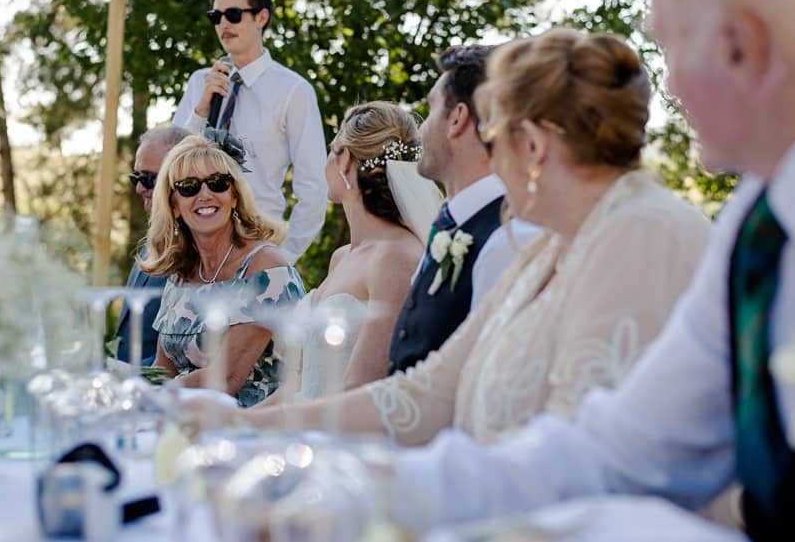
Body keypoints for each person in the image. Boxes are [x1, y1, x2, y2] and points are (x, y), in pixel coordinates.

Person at [380, 0, 795, 539]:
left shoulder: (651, 229)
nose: (667, 87)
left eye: (673, 44)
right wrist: (372, 488)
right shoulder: (754, 224)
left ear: (741, 46)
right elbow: (626, 447)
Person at [199, 30, 710, 448]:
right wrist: (238, 423)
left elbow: (582, 452)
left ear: (530, 141)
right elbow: (428, 390)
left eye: (498, 131)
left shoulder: (639, 234)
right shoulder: (541, 248)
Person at [257, 101, 439, 404]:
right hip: (305, 423)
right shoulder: (342, 257)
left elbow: (359, 388)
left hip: (343, 436)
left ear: (346, 162)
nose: (326, 160)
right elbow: (304, 384)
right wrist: (237, 422)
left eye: (332, 149)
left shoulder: (396, 258)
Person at [387, 45, 538, 376]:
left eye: (430, 110)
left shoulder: (511, 239)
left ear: (457, 118)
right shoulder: (452, 228)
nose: (422, 128)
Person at [139, 133, 306, 407]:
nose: (205, 195)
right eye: (189, 186)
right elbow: (163, 368)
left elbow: (227, 379)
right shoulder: (181, 275)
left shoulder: (267, 269)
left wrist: (160, 394)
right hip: (186, 419)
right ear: (174, 205)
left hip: (254, 426)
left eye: (217, 183)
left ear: (234, 196)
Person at [171, 0, 326, 265]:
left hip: (258, 243)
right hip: (195, 248)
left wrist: (285, 256)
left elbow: (314, 187)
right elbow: (170, 166)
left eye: (233, 14)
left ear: (261, 17)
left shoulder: (293, 90)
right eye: (216, 16)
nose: (224, 25)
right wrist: (200, 110)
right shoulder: (200, 83)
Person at [115, 125, 190, 365]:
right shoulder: (152, 240)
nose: (138, 188)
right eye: (135, 177)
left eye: (148, 179)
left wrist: (133, 377)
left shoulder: (199, 247)